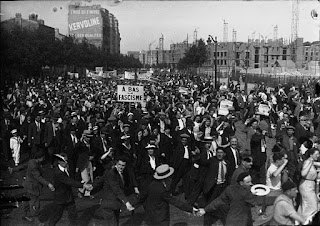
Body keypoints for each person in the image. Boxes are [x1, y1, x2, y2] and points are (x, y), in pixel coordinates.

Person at [197, 172, 276, 226]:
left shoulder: (230, 189)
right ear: (241, 183)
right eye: (248, 182)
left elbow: (218, 201)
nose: (251, 184)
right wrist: (278, 198)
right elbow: (260, 201)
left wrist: (205, 209)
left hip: (230, 221)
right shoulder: (245, 193)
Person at [131, 164, 197, 226]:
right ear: (166, 177)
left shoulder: (150, 185)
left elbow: (141, 197)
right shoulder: (162, 190)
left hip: (150, 218)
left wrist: (132, 204)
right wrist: (190, 209)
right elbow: (175, 201)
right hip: (160, 220)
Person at [39, 153, 92, 226]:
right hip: (60, 198)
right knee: (57, 216)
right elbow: (68, 181)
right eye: (64, 161)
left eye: (67, 161)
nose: (66, 163)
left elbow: (71, 180)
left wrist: (77, 190)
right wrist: (83, 185)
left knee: (73, 215)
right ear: (59, 162)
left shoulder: (67, 168)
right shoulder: (58, 172)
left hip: (69, 196)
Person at [9, 150, 55, 222]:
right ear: (40, 157)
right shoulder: (34, 166)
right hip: (33, 187)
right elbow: (38, 177)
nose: (44, 159)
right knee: (35, 203)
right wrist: (48, 184)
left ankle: (25, 215)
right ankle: (37, 220)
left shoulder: (31, 161)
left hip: (27, 185)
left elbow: (23, 166)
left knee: (27, 201)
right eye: (43, 157)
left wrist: (13, 169)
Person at [92, 157, 137, 226]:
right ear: (116, 164)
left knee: (115, 223)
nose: (121, 167)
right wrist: (127, 203)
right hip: (108, 204)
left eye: (123, 165)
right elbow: (117, 189)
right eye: (119, 164)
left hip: (116, 204)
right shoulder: (111, 173)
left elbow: (100, 182)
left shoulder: (122, 173)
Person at [298, 148, 320, 221]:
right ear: (311, 155)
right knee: (313, 206)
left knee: (304, 206)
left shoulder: (312, 162)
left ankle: (300, 220)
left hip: (310, 185)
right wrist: (310, 164)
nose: (318, 155)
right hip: (306, 186)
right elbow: (303, 173)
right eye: (316, 154)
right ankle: (306, 221)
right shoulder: (308, 162)